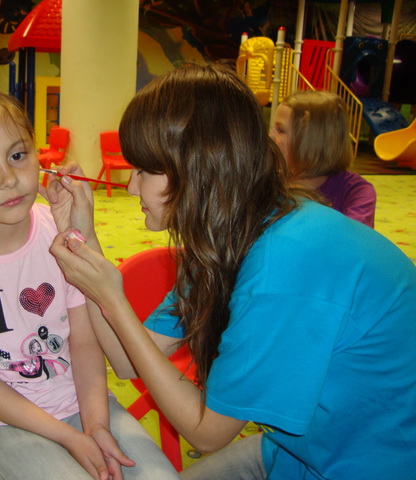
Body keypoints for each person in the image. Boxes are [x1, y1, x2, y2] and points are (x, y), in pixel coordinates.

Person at [48, 64, 416, 480]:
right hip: (302, 453)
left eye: (145, 170)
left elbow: (208, 432)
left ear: (198, 167)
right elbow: (127, 360)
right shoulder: (229, 239)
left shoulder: (282, 263)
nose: (132, 187)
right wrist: (82, 238)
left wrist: (114, 300)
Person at [0, 87, 181, 480]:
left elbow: (84, 342)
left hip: (81, 401)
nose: (9, 179)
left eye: (17, 156)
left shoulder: (58, 231)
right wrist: (70, 438)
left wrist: (96, 424)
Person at [270, 90, 376, 227]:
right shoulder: (268, 181)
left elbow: (353, 236)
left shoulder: (356, 191)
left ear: (311, 142)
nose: (271, 136)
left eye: (281, 130)